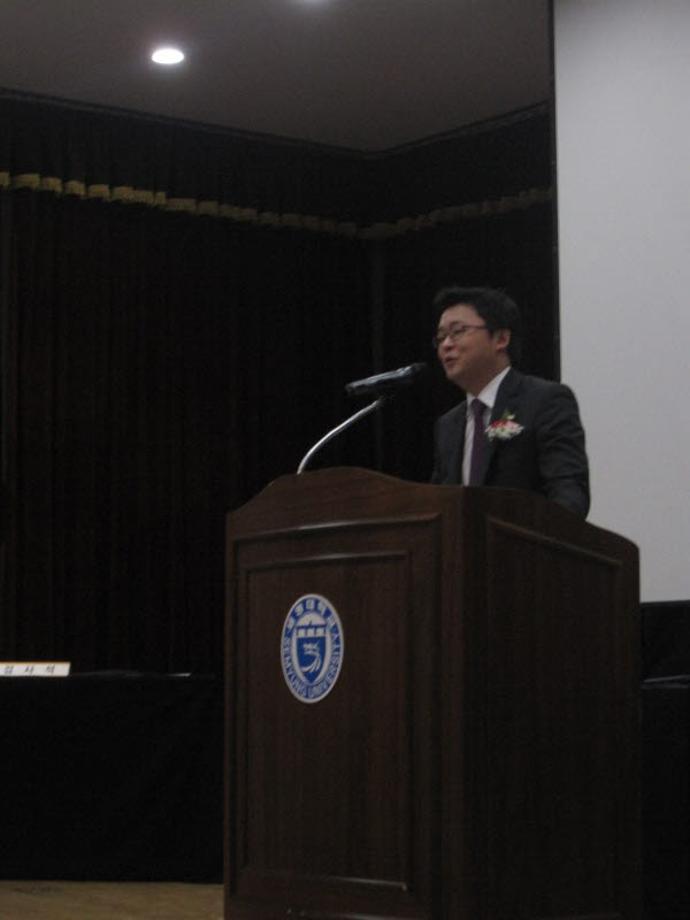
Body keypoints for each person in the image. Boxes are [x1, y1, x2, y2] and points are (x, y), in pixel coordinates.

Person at [430, 285, 590, 517]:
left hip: (528, 538)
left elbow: (569, 494)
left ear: (501, 339)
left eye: (457, 331)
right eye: (441, 336)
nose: (446, 344)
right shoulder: (448, 425)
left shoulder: (545, 401)